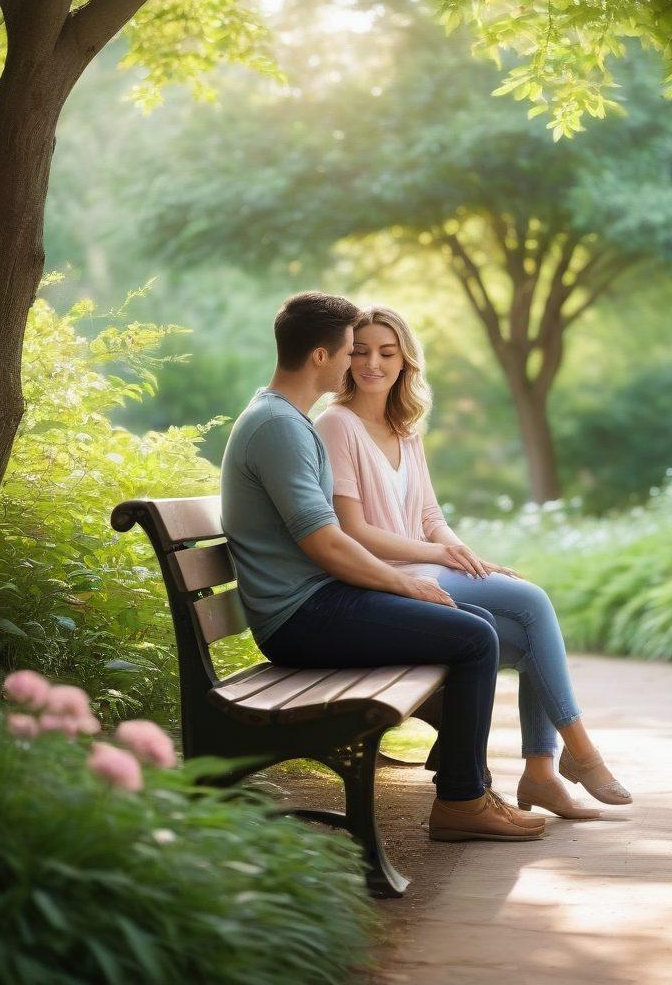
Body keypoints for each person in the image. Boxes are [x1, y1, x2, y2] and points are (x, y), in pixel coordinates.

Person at [220, 290, 546, 842]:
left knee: (477, 628)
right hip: (300, 616)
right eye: (351, 349)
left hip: (317, 602)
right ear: (321, 356)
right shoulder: (279, 426)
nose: (357, 362)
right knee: (472, 637)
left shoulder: (288, 421)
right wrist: (405, 586)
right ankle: (462, 802)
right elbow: (326, 543)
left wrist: (408, 584)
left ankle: (469, 786)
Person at [313, 304, 632, 819]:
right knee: (531, 601)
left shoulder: (405, 430)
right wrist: (438, 553)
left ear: (405, 362)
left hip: (426, 567)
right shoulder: (336, 424)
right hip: (388, 582)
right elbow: (354, 531)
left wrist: (468, 557)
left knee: (530, 634)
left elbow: (429, 515)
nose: (373, 363)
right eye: (361, 351)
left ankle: (542, 773)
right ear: (346, 360)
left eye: (386, 353)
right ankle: (581, 753)